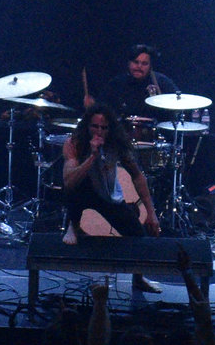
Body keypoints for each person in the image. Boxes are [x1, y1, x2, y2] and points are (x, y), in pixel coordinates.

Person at [61, 102, 160, 244]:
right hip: (83, 194)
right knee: (76, 184)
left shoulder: (117, 144)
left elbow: (137, 176)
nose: (99, 132)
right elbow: (69, 182)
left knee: (138, 237)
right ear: (87, 126)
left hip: (108, 195)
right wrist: (92, 157)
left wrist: (151, 213)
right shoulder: (74, 143)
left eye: (104, 128)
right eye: (95, 127)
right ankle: (73, 224)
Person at [98, 43, 175, 122]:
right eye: (135, 62)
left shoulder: (162, 83)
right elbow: (102, 108)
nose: (139, 66)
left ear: (150, 66)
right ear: (129, 63)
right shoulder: (116, 84)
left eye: (144, 63)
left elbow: (177, 106)